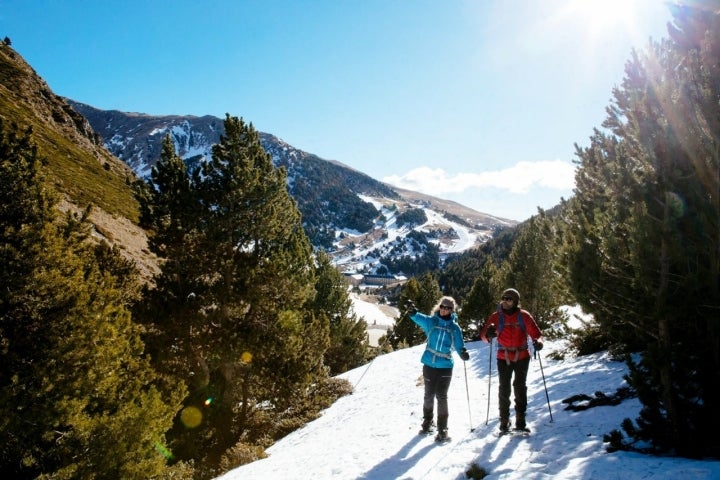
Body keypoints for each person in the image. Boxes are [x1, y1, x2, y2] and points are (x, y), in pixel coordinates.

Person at [406, 296, 469, 442]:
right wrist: (412, 312)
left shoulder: (454, 328)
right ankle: (427, 422)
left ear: (452, 310)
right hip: (429, 364)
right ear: (439, 307)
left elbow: (460, 345)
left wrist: (463, 353)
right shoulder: (432, 322)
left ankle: (442, 429)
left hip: (445, 366)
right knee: (428, 395)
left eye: (448, 308)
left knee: (441, 396)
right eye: (442, 306)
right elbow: (418, 318)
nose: (444, 309)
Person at [480, 288, 543, 433]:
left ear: (515, 301)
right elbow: (484, 337)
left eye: (509, 298)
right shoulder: (496, 317)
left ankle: (520, 420)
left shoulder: (524, 316)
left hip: (522, 356)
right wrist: (488, 335)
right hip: (504, 357)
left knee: (520, 388)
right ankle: (504, 420)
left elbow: (537, 333)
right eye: (504, 298)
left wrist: (538, 342)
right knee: (504, 388)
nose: (505, 301)